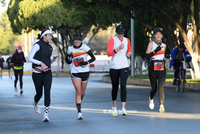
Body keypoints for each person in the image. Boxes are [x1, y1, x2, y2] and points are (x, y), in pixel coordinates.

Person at [28, 28, 59, 122]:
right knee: (39, 93)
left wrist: (53, 59)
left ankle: (46, 115)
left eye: (51, 35)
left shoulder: (50, 47)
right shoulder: (37, 45)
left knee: (47, 92)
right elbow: (30, 58)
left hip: (47, 73)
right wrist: (40, 63)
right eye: (49, 35)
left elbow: (49, 61)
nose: (51, 37)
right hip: (37, 73)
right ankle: (35, 103)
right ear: (44, 36)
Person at [65, 33, 96, 120]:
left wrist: (86, 62)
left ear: (81, 40)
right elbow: (67, 59)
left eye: (79, 40)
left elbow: (93, 58)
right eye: (76, 40)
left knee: (82, 93)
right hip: (75, 72)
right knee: (78, 92)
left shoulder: (85, 47)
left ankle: (78, 102)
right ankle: (79, 112)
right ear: (74, 40)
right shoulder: (70, 49)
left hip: (85, 72)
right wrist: (69, 60)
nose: (77, 41)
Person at [107, 25, 132, 117]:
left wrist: (129, 53)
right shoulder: (112, 40)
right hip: (114, 67)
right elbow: (109, 53)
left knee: (123, 86)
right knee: (115, 87)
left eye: (122, 33)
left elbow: (129, 49)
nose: (121, 35)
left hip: (124, 66)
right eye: (119, 33)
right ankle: (114, 107)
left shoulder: (127, 40)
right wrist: (118, 48)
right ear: (116, 33)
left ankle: (123, 108)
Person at [145, 28, 167, 114]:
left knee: (161, 87)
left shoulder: (164, 45)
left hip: (161, 68)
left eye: (160, 34)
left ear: (162, 36)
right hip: (153, 68)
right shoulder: (151, 44)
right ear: (154, 35)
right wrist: (155, 51)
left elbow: (162, 55)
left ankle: (161, 106)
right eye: (156, 34)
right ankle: (151, 99)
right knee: (154, 89)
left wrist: (167, 56)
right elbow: (147, 56)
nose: (158, 36)